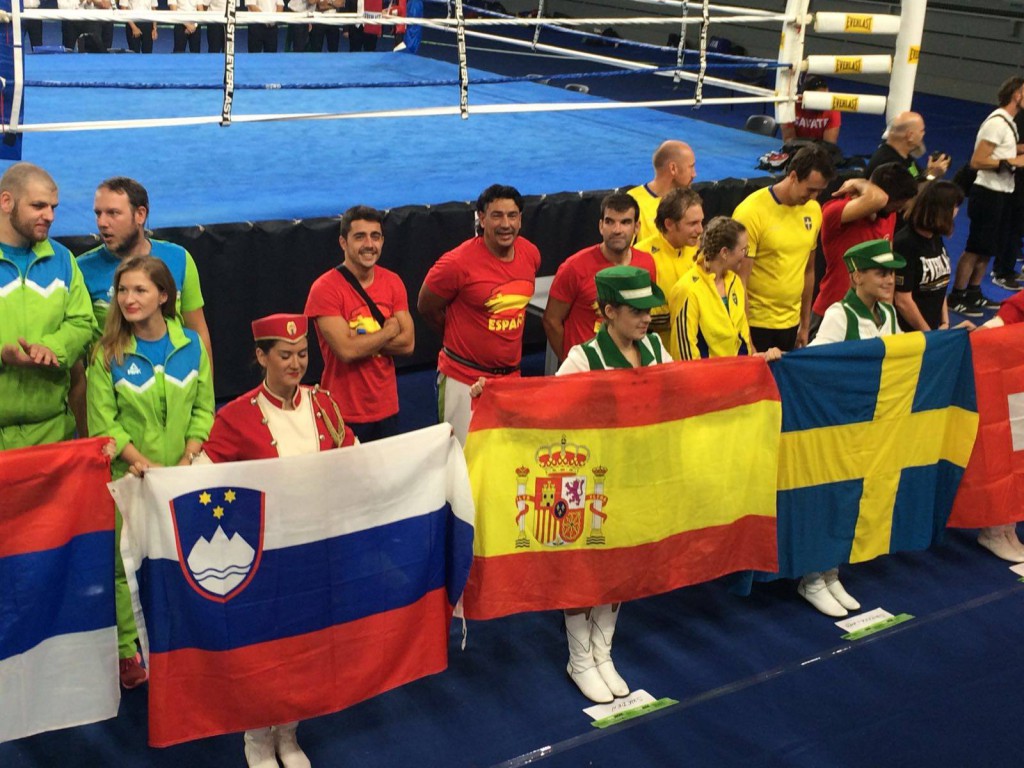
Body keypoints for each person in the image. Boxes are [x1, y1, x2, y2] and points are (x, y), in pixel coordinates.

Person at [194, 313, 353, 768]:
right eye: (285, 355)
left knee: (306, 645)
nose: (296, 363)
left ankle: (289, 730)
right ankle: (257, 736)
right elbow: (201, 479)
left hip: (316, 550)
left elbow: (358, 462)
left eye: (303, 354)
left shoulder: (325, 405)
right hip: (264, 557)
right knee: (265, 650)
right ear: (261, 356)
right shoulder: (237, 415)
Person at [86, 256, 214, 687]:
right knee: (128, 565)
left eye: (140, 290)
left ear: (164, 295)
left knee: (184, 558)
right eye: (122, 291)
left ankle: (185, 638)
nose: (128, 299)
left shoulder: (192, 345)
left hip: (183, 475)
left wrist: (187, 457)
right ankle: (128, 649)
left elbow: (204, 407)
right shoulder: (107, 354)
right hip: (131, 480)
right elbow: (105, 423)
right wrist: (143, 464)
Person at [555, 266, 669, 702]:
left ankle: (603, 652)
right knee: (585, 571)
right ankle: (579, 657)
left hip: (638, 475)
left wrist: (751, 367)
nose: (646, 318)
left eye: (649, 310)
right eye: (636, 311)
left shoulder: (656, 347)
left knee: (621, 565)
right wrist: (492, 395)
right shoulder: (584, 357)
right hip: (590, 482)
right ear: (608, 311)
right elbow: (545, 410)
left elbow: (694, 387)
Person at [800, 239, 904, 616]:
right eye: (881, 272)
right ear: (857, 275)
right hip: (837, 428)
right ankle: (812, 577)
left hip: (871, 429)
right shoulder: (838, 315)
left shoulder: (889, 316)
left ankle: (831, 571)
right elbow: (816, 366)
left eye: (892, 272)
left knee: (851, 499)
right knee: (829, 498)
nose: (890, 279)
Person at [76, 177, 212, 434]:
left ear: (140, 214)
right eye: (98, 213)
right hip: (116, 406)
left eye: (113, 213)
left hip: (174, 395)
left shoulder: (179, 259)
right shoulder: (81, 270)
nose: (102, 223)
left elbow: (198, 333)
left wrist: (204, 402)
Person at [417, 184, 540, 444]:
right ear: (482, 219)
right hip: (463, 379)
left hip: (511, 380)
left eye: (512, 215)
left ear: (520, 219)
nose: (505, 224)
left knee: (506, 457)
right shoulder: (456, 263)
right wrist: (456, 336)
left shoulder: (530, 254)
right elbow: (426, 306)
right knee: (462, 461)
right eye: (496, 215)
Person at [0, 163, 95, 451]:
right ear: (6, 202)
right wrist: (4, 354)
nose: (50, 216)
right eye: (39, 206)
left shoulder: (63, 261)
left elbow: (82, 323)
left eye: (53, 207)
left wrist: (52, 348)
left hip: (53, 435)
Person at [304, 205, 414, 442]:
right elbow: (346, 351)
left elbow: (408, 344)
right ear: (343, 242)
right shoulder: (324, 289)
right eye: (360, 237)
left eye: (375, 236)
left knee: (386, 479)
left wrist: (359, 340)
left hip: (387, 409)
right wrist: (389, 331)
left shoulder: (393, 282)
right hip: (342, 413)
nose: (369, 244)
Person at [733, 145, 834, 352]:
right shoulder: (751, 212)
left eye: (820, 191)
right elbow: (738, 280)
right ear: (794, 176)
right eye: (811, 189)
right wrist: (746, 336)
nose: (814, 197)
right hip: (756, 323)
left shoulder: (814, 211)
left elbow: (809, 270)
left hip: (791, 324)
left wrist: (805, 324)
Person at [542, 192, 656, 361]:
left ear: (637, 227)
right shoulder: (574, 267)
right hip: (585, 372)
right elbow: (551, 321)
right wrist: (572, 362)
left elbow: (642, 314)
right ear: (601, 226)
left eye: (625, 222)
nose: (617, 230)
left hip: (627, 367)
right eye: (610, 222)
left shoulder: (646, 264)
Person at [812, 162, 918, 335]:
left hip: (871, 315)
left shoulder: (888, 215)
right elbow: (879, 199)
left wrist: (886, 311)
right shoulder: (836, 211)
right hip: (833, 313)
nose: (899, 210)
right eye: (896, 204)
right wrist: (862, 183)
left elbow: (888, 265)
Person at [949, 77, 1024, 314]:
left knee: (987, 248)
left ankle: (973, 291)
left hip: (1002, 192)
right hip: (987, 193)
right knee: (974, 248)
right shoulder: (997, 123)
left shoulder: (1009, 124)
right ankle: (957, 295)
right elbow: (977, 160)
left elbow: (1006, 151)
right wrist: (1013, 162)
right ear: (1017, 95)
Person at [668, 216, 780, 362]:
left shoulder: (734, 281)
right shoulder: (687, 290)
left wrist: (757, 359)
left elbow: (743, 337)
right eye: (743, 249)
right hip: (709, 380)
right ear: (725, 252)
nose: (746, 254)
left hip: (739, 376)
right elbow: (685, 357)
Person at [894, 180, 966, 332]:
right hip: (910, 333)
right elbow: (902, 300)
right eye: (954, 206)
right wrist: (929, 335)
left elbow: (940, 284)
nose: (957, 211)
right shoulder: (905, 243)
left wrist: (945, 322)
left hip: (933, 329)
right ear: (941, 209)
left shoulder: (934, 236)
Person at [635, 187, 704, 344]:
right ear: (669, 224)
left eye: (701, 222)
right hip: (657, 355)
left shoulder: (699, 251)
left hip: (694, 350)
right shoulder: (641, 257)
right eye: (693, 223)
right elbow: (633, 314)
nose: (700, 230)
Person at [627, 140, 697, 244]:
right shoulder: (633, 202)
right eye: (691, 167)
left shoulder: (689, 200)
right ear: (673, 168)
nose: (694, 174)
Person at [864, 111, 951, 182]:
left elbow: (917, 178)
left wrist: (929, 171)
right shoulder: (891, 166)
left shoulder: (904, 156)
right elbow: (912, 198)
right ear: (910, 136)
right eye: (921, 131)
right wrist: (933, 175)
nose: (923, 134)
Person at [780, 75, 841, 144]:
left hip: (820, 152)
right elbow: (789, 140)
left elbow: (829, 145)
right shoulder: (790, 106)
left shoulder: (831, 108)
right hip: (796, 151)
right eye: (819, 98)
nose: (824, 102)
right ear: (806, 97)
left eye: (825, 97)